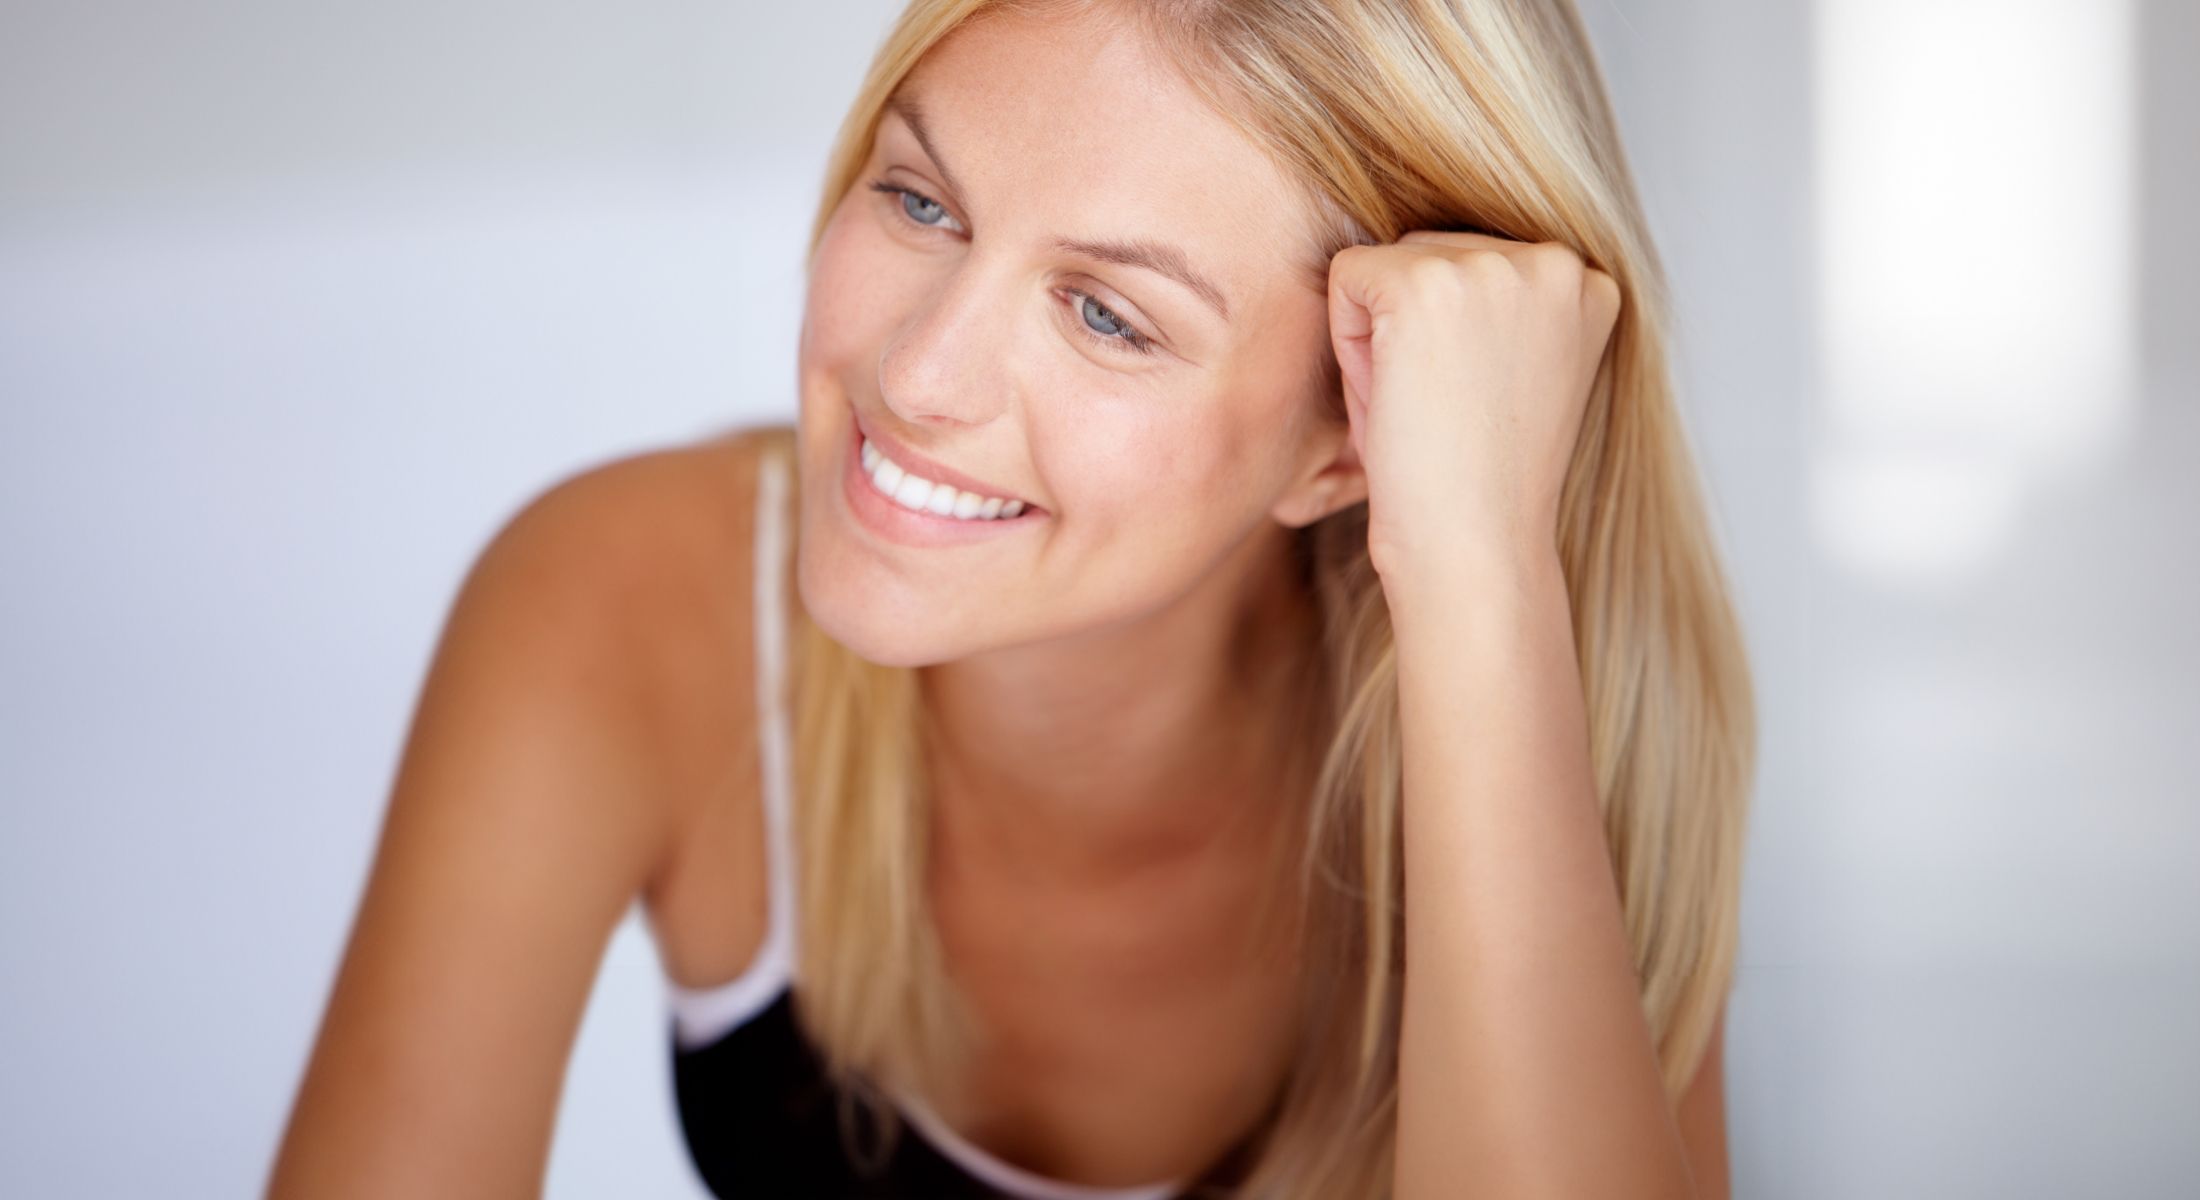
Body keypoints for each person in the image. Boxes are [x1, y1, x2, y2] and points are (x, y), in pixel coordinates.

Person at [267, 0, 1753, 1197]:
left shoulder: (1553, 720)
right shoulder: (618, 601)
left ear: (1351, 438)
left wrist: (1484, 573)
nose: (915, 378)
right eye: (919, 200)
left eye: (1109, 314)